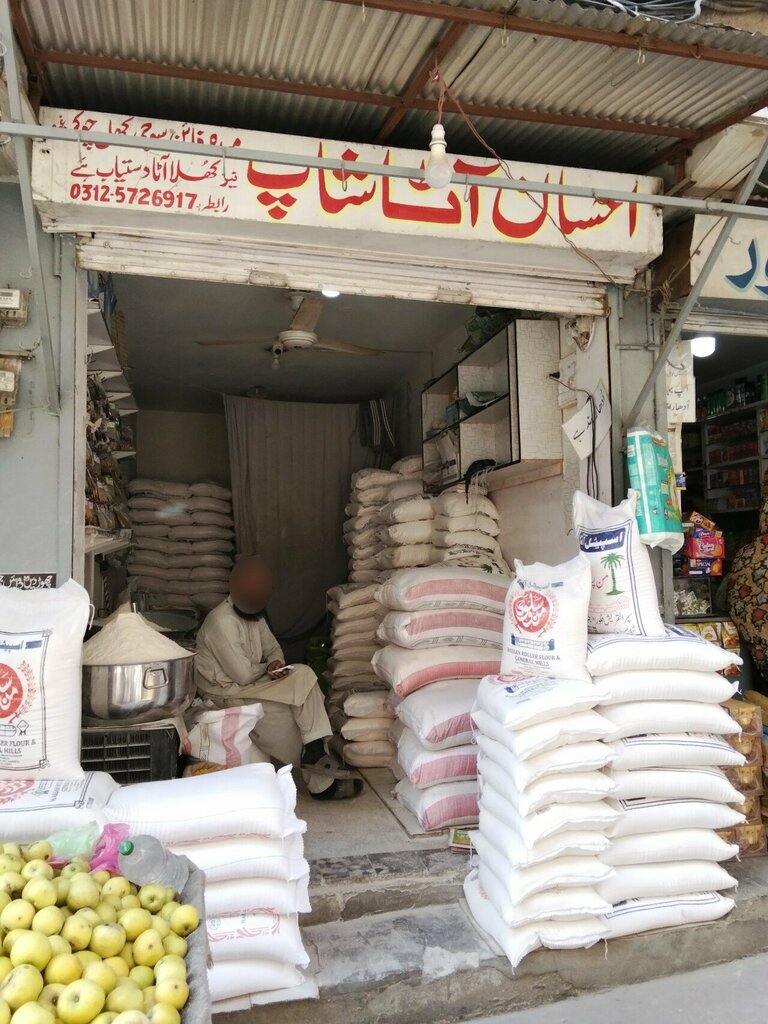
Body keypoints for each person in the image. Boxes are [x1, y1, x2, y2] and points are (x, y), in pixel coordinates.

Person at [195, 556, 361, 799]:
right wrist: (267, 668)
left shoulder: (253, 616)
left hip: (251, 683)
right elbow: (241, 674)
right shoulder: (222, 621)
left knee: (303, 674)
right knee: (287, 712)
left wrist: (275, 663)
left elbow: (274, 649)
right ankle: (320, 779)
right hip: (227, 691)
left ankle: (315, 755)